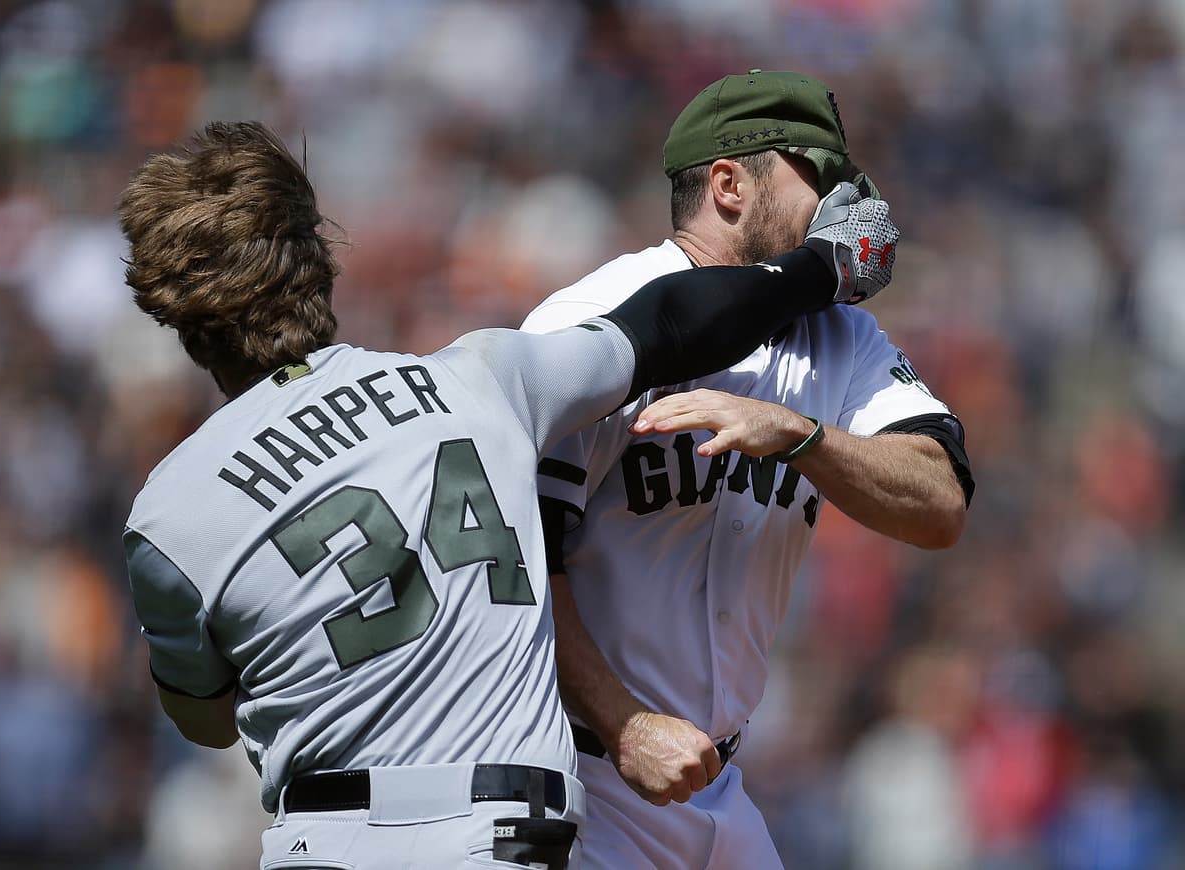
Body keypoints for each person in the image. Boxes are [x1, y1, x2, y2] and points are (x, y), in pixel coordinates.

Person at [117, 121, 899, 870]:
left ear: (173, 313)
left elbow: (205, 720)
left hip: (325, 843)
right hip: (496, 836)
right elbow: (669, 321)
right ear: (320, 261)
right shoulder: (477, 381)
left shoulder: (169, 513)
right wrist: (822, 266)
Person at [521, 69, 975, 869]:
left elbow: (939, 503)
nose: (844, 208)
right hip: (583, 775)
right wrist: (624, 722)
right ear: (730, 185)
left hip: (717, 785)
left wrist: (804, 436)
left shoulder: (842, 339)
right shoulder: (594, 318)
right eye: (820, 178)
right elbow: (515, 556)